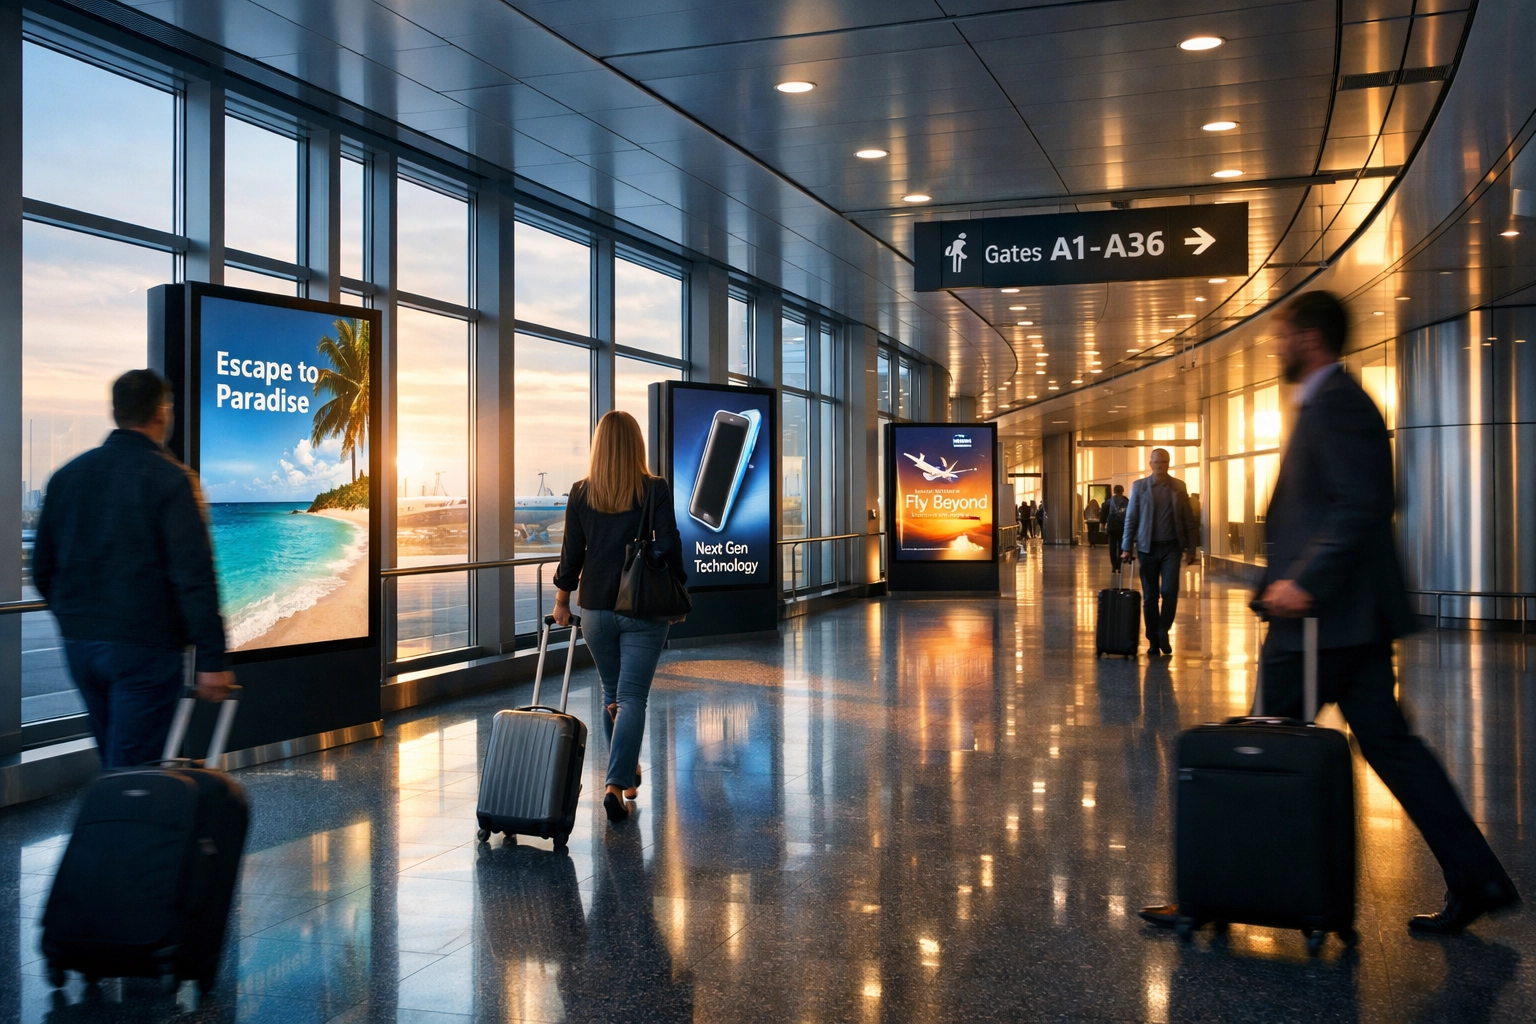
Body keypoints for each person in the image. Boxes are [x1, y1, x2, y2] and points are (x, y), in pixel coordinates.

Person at [1140, 290, 1520, 935]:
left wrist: (1303, 583)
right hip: (1347, 623)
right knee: (1392, 750)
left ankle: (1212, 893)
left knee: (1258, 748)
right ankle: (1476, 878)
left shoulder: (1339, 403)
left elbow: (1361, 504)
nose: (1276, 345)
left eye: (1282, 334)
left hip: (1321, 623)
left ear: (1309, 337)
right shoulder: (1327, 403)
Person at [32, 369, 234, 769]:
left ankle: (114, 805)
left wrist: (78, 618)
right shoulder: (172, 479)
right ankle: (121, 810)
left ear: (116, 411)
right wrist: (211, 659)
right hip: (146, 650)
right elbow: (194, 576)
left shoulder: (66, 477)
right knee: (134, 771)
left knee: (114, 757)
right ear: (161, 412)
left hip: (81, 647)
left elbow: (43, 568)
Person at [553, 410, 687, 824]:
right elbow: (669, 544)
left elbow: (572, 554)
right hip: (642, 605)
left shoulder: (580, 492)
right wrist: (676, 595)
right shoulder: (654, 489)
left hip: (595, 609)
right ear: (636, 444)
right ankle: (614, 786)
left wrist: (562, 600)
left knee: (612, 694)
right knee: (631, 698)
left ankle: (627, 775)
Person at [1121, 448, 1199, 655]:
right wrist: (1126, 547)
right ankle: (1153, 640)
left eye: (1164, 462)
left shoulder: (1178, 486)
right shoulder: (1139, 487)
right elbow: (1131, 518)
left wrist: (1191, 548)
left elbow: (1188, 520)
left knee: (1170, 591)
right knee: (1150, 596)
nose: (1160, 465)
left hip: (1172, 547)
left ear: (1168, 463)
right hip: (1147, 548)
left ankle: (1163, 630)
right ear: (1150, 464)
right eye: (1156, 462)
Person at [1103, 484, 1129, 573]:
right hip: (1122, 526)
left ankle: (1114, 566)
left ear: (1114, 491)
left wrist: (1103, 523)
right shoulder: (1126, 500)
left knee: (1112, 546)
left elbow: (1104, 510)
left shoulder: (1110, 500)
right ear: (1122, 491)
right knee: (1121, 545)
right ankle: (1120, 565)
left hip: (1112, 526)